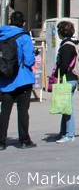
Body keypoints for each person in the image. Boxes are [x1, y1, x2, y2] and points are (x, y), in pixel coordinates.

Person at [0, 11, 37, 149]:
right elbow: (29, 60)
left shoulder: (2, 34)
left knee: (4, 111)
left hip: (5, 79)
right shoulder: (24, 36)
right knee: (22, 110)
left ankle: (1, 142)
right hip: (23, 79)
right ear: (24, 22)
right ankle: (24, 140)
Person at [53, 20, 79, 143]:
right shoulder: (73, 44)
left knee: (68, 107)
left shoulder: (66, 47)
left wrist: (58, 72)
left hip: (67, 79)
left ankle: (69, 134)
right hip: (72, 78)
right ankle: (63, 132)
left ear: (61, 32)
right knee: (65, 105)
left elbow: (63, 66)